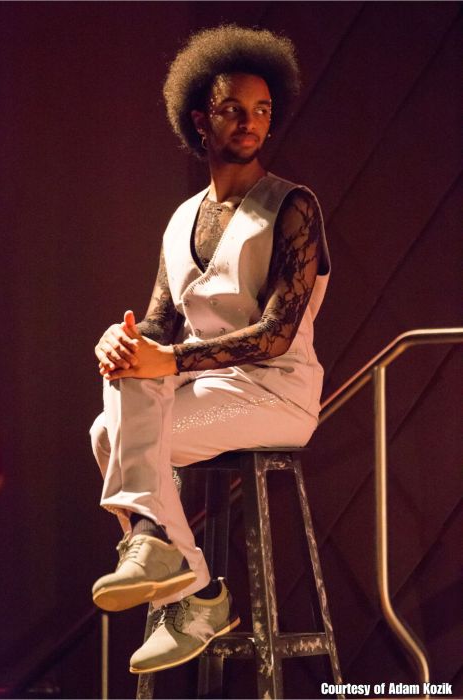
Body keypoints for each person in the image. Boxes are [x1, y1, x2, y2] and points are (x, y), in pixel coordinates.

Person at [90, 24, 330, 675]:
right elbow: (158, 325)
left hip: (275, 393)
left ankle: (168, 564)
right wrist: (121, 341)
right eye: (233, 109)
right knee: (109, 423)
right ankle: (193, 589)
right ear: (200, 119)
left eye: (262, 110)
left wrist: (166, 361)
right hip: (206, 388)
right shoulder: (182, 219)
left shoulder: (292, 207)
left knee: (131, 431)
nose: (250, 123)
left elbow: (277, 332)